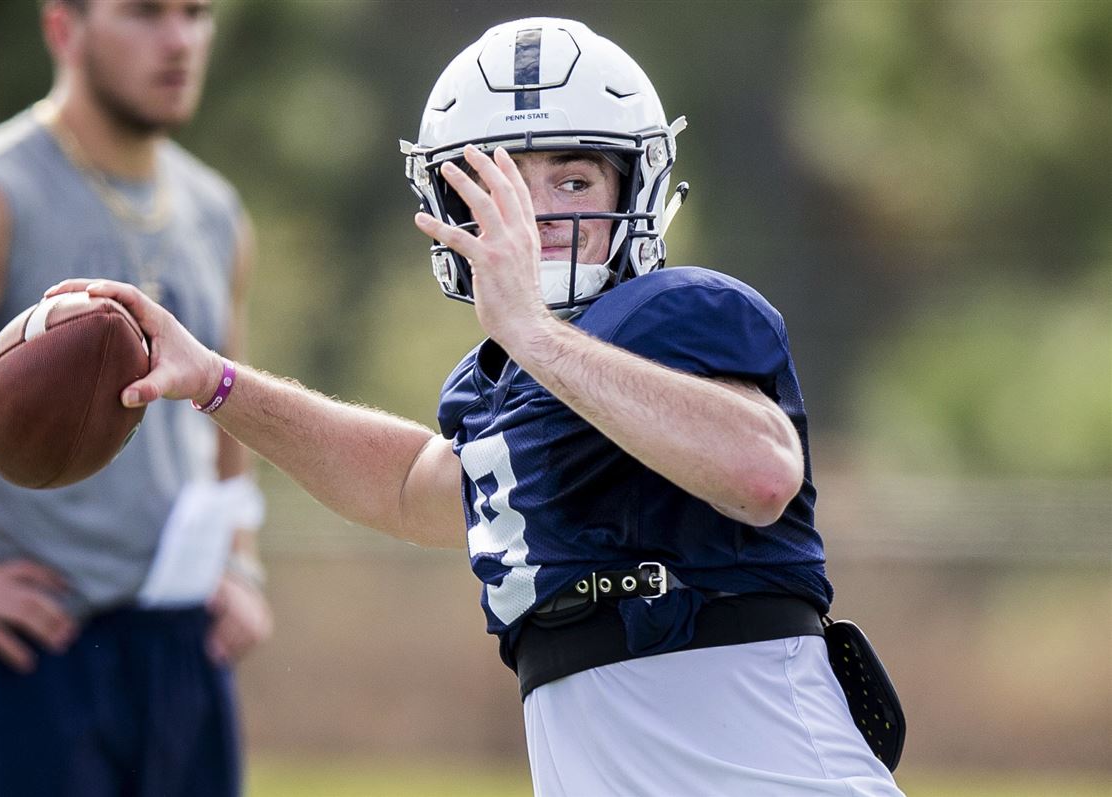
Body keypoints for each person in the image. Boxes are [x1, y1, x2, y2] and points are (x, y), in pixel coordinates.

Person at [46, 16, 903, 796]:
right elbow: (408, 486)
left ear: (637, 187)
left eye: (573, 180)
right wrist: (216, 382)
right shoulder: (504, 379)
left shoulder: (675, 311)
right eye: (503, 186)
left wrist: (534, 329)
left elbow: (759, 471)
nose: (540, 219)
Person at [0, 1, 272, 796]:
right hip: (29, 653)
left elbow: (226, 408)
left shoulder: (216, 212)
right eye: (144, 13)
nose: (179, 40)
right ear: (64, 29)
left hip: (181, 648)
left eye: (195, 13)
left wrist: (241, 561)